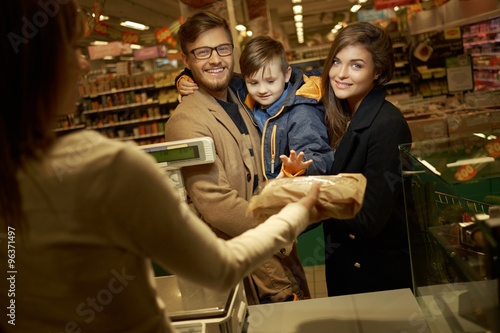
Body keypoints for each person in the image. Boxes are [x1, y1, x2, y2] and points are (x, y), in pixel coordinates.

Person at [0, 1, 322, 332]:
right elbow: (219, 261)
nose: (84, 62)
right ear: (34, 65)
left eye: (223, 49)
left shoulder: (245, 93)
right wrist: (294, 215)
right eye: (72, 47)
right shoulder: (107, 163)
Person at [164, 12, 325, 304]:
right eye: (202, 52)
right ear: (186, 60)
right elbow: (217, 205)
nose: (215, 59)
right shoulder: (185, 121)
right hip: (244, 264)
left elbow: (283, 76)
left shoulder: (243, 93)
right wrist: (278, 230)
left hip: (279, 256)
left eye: (223, 48)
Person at [319, 22, 413, 296]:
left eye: (356, 65)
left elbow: (370, 219)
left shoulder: (387, 125)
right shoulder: (344, 114)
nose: (341, 74)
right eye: (336, 61)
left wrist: (314, 193)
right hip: (347, 268)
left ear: (378, 71)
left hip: (377, 277)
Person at [177, 35, 333, 179]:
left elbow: (321, 157)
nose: (262, 90)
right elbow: (217, 77)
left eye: (270, 81)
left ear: (286, 75)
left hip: (293, 194)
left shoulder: (301, 111)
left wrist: (299, 167)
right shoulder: (245, 93)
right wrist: (185, 77)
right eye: (253, 83)